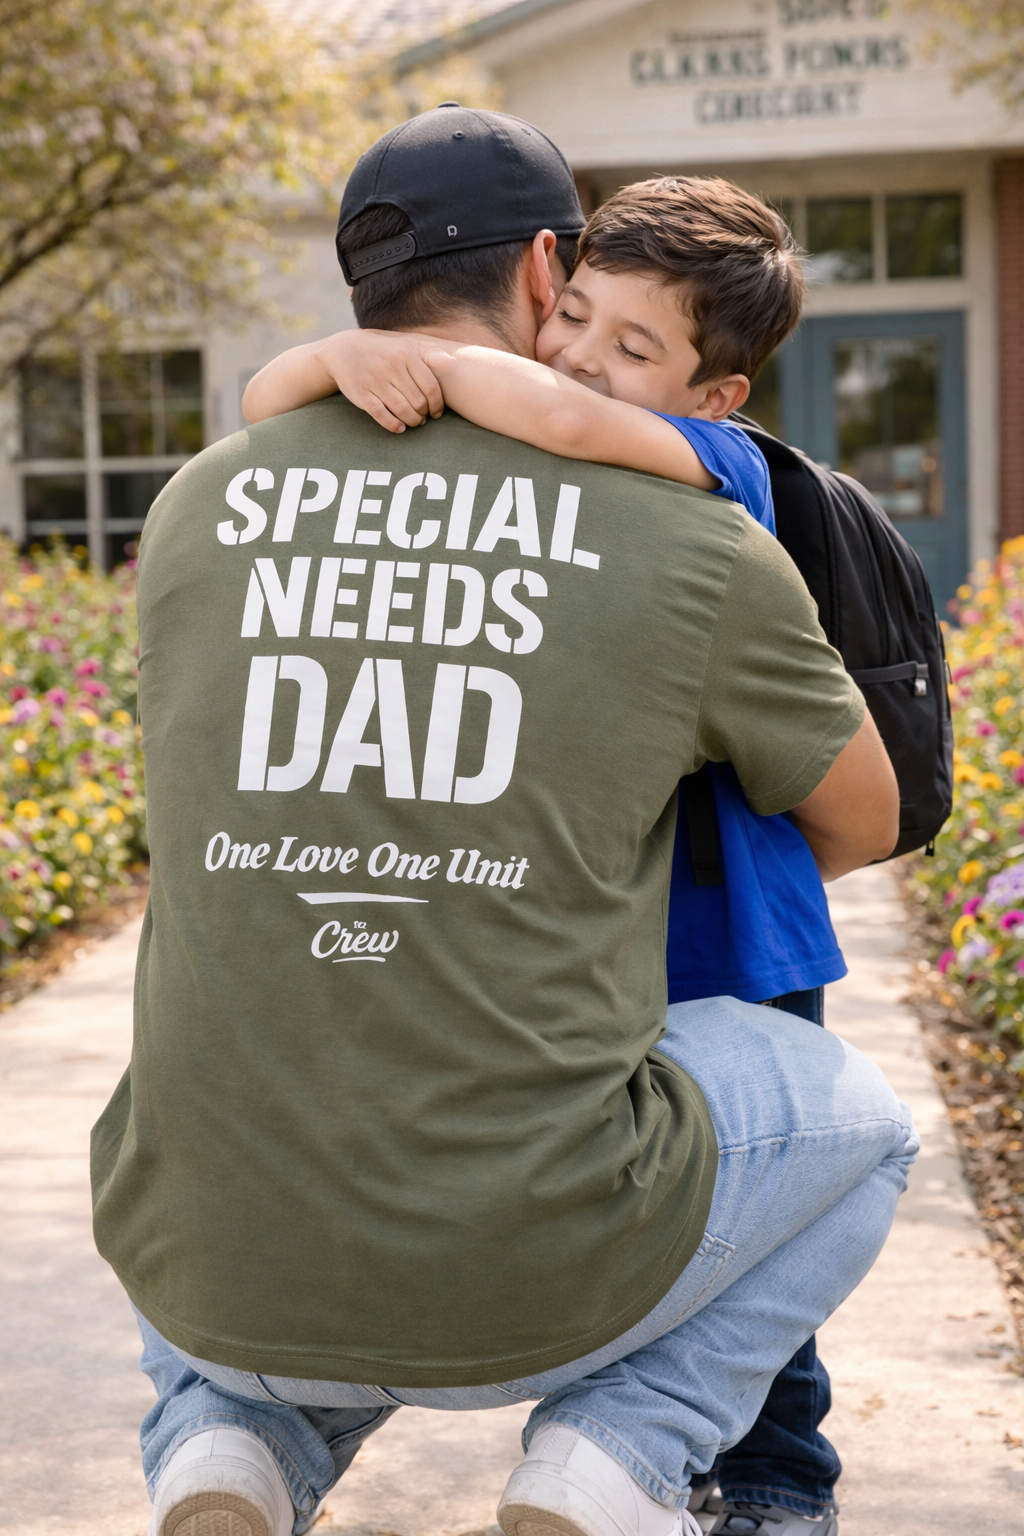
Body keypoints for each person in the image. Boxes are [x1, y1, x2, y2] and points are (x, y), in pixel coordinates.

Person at [90, 106, 914, 1536]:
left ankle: (227, 1438)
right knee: (867, 1126)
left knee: (233, 1091)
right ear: (547, 269)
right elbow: (865, 819)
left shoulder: (196, 505)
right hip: (548, 1281)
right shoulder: (685, 527)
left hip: (211, 1275)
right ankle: (615, 1457)